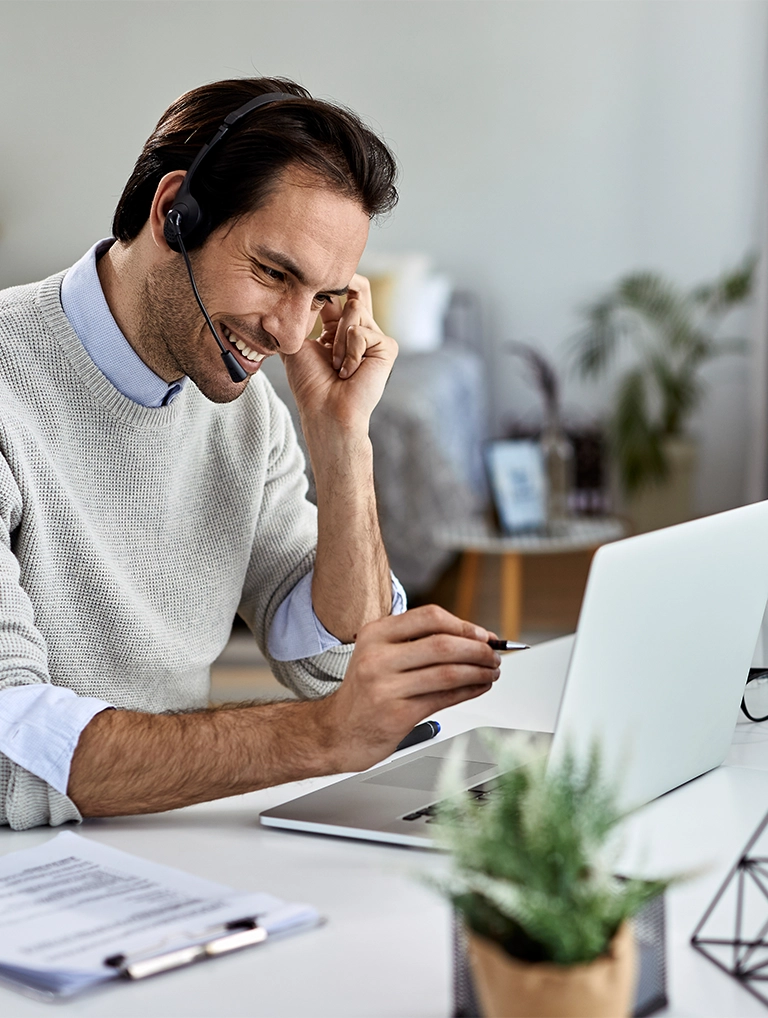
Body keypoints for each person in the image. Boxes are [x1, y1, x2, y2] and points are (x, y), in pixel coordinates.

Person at [0, 77, 500, 831]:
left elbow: (333, 659)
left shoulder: (242, 408)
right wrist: (328, 736)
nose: (294, 335)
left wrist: (341, 440)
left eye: (325, 296)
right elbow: (11, 759)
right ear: (175, 214)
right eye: (274, 273)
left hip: (150, 837)